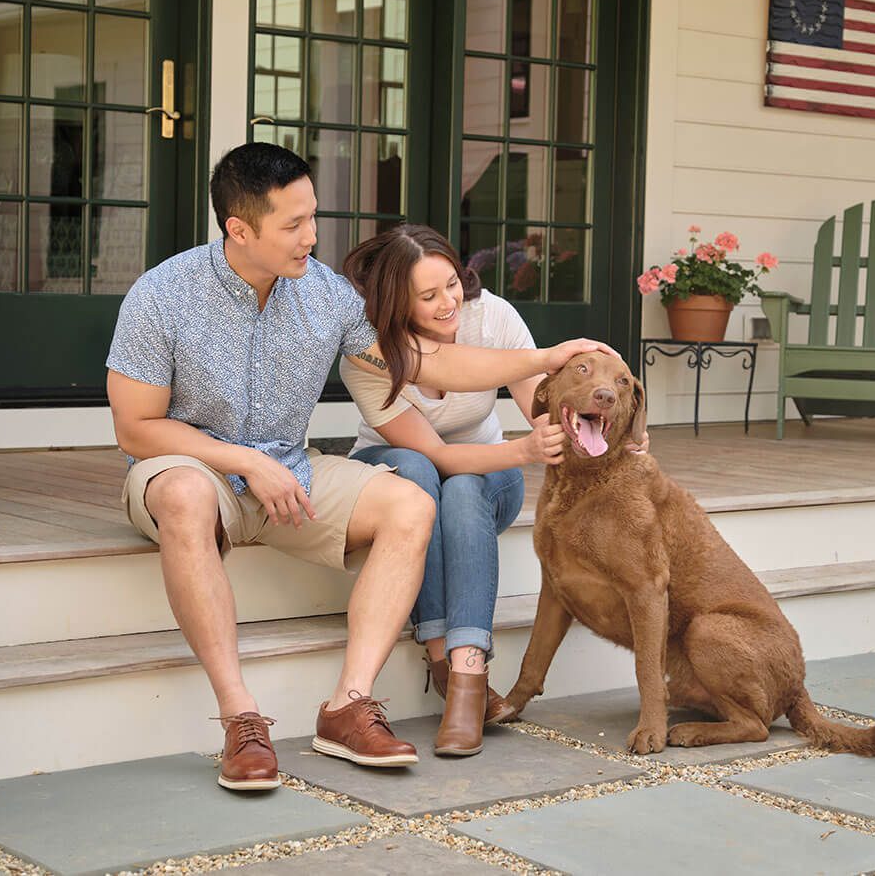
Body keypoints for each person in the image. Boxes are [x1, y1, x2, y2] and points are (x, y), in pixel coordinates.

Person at [105, 142, 613, 788]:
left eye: (312, 216)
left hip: (292, 468)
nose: (310, 237)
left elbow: (427, 363)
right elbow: (136, 426)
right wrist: (242, 462)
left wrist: (544, 358)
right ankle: (241, 719)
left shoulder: (329, 296)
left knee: (412, 502)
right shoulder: (163, 294)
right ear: (239, 228)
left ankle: (349, 706)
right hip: (193, 466)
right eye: (292, 224)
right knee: (183, 494)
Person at [339, 224, 560, 757]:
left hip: (485, 477)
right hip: (401, 469)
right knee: (419, 473)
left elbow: (543, 409)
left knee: (461, 489)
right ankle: (448, 667)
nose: (448, 304)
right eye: (428, 295)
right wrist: (525, 451)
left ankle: (465, 671)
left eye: (453, 285)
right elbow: (434, 455)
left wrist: (600, 428)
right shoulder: (368, 351)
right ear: (396, 302)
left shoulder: (493, 317)